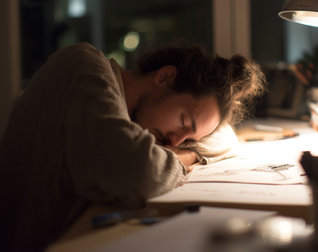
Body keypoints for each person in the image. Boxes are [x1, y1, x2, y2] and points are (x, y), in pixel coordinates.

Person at [0, 42, 265, 252]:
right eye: (183, 121)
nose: (174, 141)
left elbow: (227, 138)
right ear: (165, 76)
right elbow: (140, 171)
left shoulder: (133, 117)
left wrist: (187, 149)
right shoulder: (84, 66)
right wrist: (186, 157)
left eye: (188, 139)